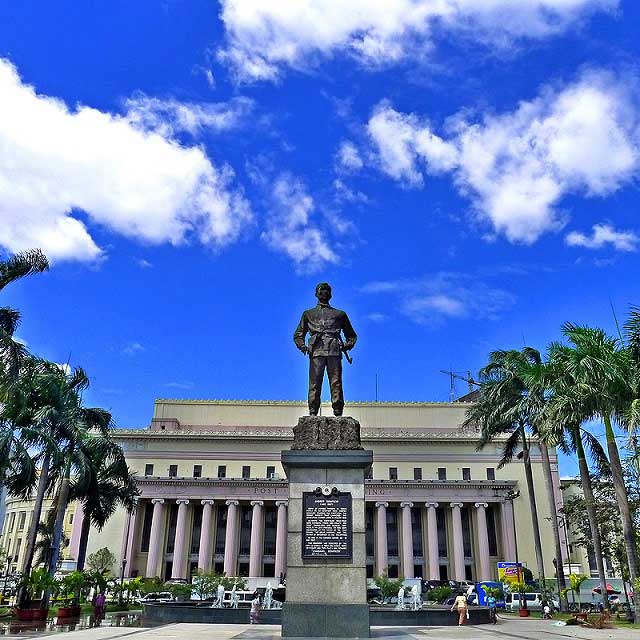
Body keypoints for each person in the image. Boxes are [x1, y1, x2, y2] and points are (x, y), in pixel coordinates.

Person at [293, 283, 357, 416]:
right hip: (316, 351)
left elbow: (351, 335)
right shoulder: (308, 314)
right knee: (315, 383)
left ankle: (338, 410)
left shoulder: (340, 314)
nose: (324, 293)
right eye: (322, 291)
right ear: (316, 293)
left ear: (331, 294)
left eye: (327, 291)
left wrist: (346, 345)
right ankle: (313, 411)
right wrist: (303, 346)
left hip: (334, 350)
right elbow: (298, 334)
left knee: (336, 382)